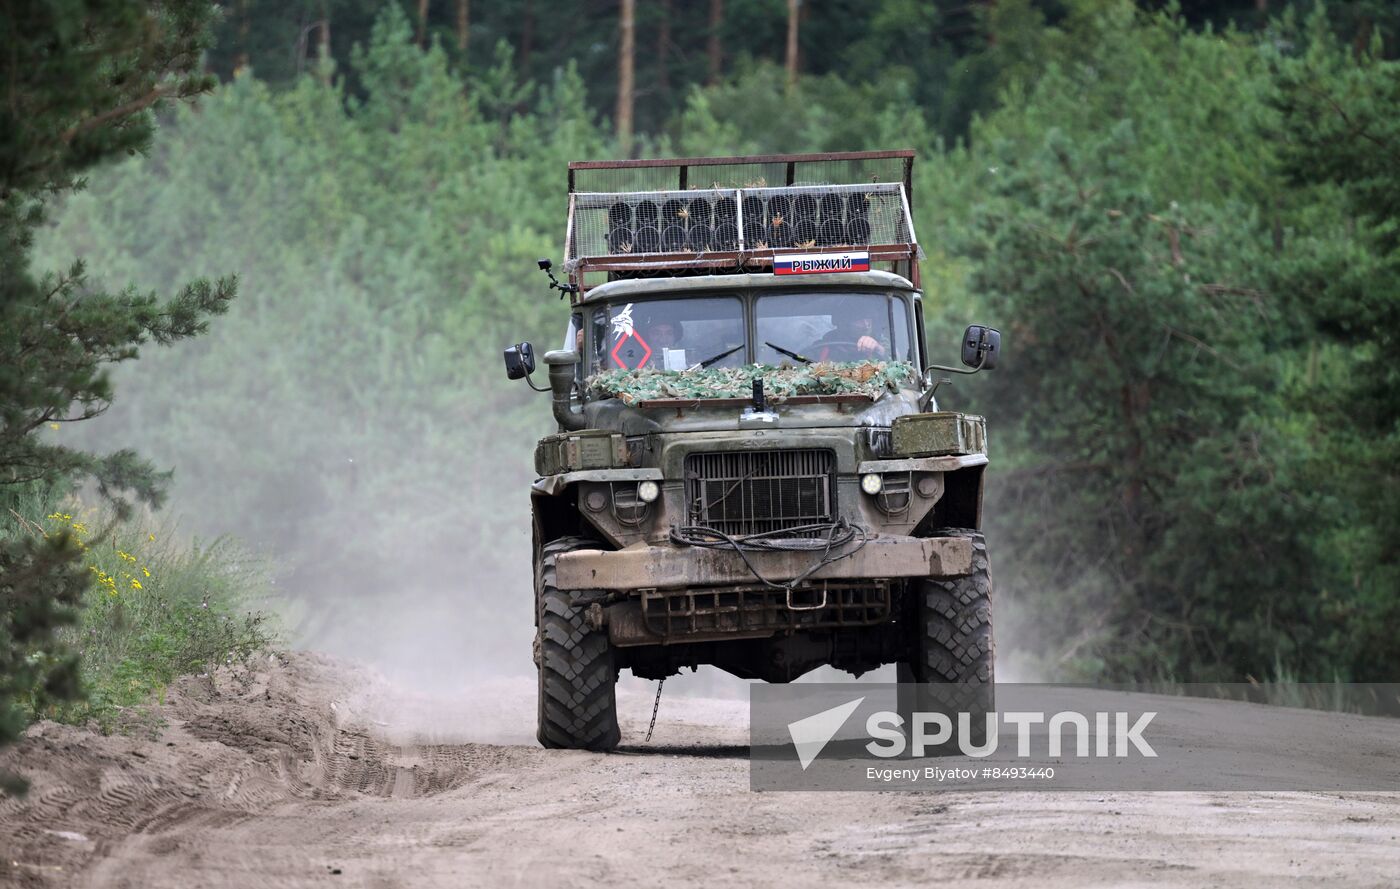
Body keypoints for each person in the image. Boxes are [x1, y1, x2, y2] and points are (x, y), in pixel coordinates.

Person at [811, 311, 887, 362]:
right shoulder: (821, 348)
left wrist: (878, 348)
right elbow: (802, 364)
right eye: (858, 319)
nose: (866, 324)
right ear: (845, 323)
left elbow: (896, 365)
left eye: (868, 318)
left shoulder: (881, 342)